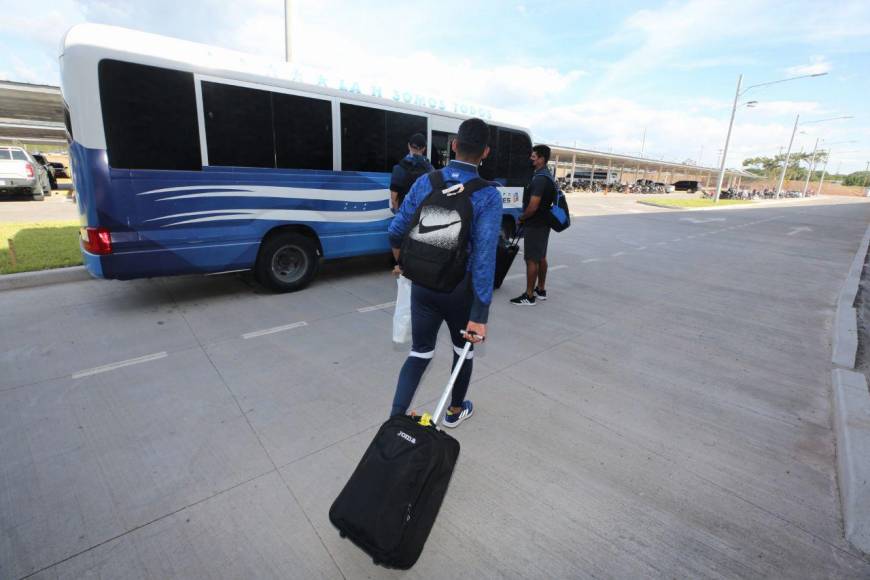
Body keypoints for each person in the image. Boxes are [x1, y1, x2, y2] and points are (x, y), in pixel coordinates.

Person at [388, 118, 502, 427]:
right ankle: (454, 411)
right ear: (486, 152)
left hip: (422, 285)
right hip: (458, 290)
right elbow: (483, 259)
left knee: (420, 353)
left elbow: (396, 230)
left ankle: (396, 419)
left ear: (454, 144)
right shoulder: (488, 195)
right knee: (461, 351)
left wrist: (402, 265)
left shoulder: (427, 181)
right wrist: (480, 312)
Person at [510, 144, 556, 306]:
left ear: (541, 159)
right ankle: (540, 289)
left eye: (534, 156)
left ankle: (529, 296)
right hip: (544, 224)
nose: (531, 158)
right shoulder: (547, 176)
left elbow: (533, 206)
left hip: (535, 224)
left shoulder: (540, 179)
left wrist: (522, 218)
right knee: (541, 257)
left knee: (531, 260)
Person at [390, 133, 433, 213]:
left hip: (405, 216)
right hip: (421, 217)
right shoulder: (431, 170)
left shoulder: (399, 168)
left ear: (408, 146)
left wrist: (398, 214)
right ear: (424, 148)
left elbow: (394, 199)